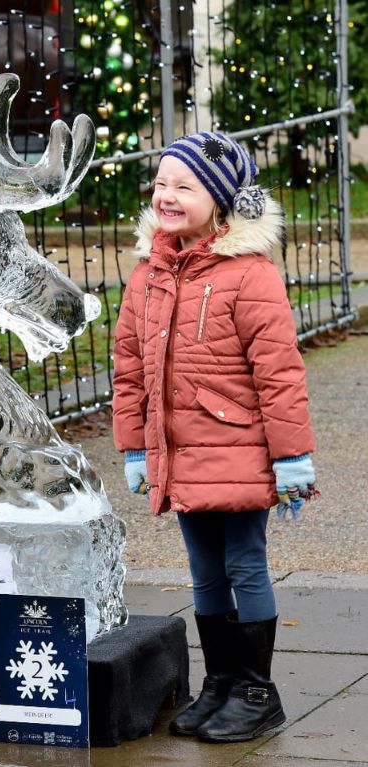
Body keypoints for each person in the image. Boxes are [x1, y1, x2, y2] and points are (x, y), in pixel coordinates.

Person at [112, 131, 317, 743]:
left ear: (222, 201)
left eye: (185, 186)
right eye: (161, 184)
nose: (167, 196)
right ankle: (222, 683)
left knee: (244, 564)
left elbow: (279, 373)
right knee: (204, 571)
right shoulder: (150, 273)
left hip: (241, 450)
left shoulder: (250, 275)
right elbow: (129, 364)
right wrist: (133, 446)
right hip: (179, 453)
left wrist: (293, 459)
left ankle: (258, 692)